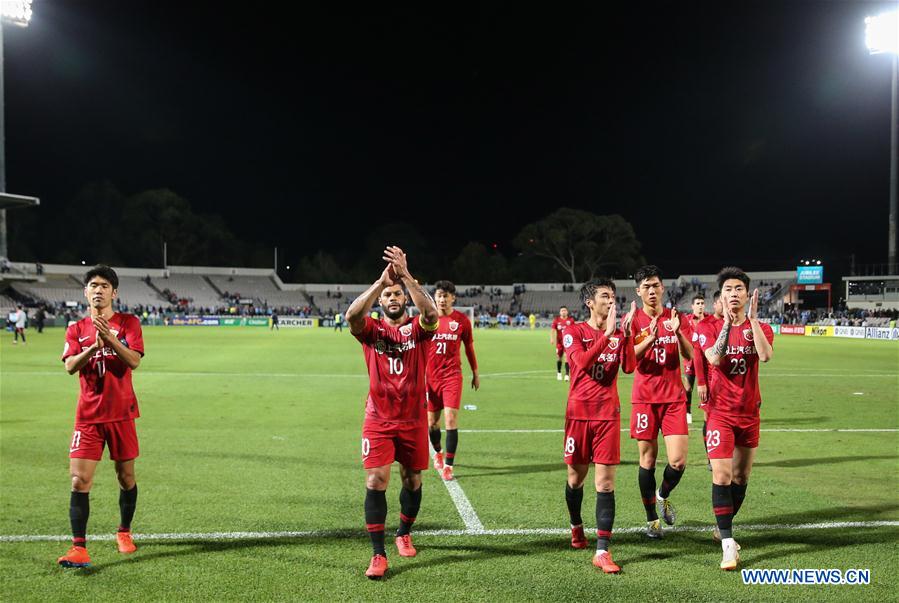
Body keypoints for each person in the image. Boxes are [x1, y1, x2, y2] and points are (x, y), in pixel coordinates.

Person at [346, 246, 439, 580]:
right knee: (376, 479)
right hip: (379, 419)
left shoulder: (417, 330)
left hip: (414, 418)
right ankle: (378, 554)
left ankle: (403, 531)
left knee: (412, 480)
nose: (393, 297)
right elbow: (352, 317)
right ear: (381, 302)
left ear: (405, 298)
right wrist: (379, 282)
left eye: (397, 293)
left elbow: (431, 315)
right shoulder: (372, 332)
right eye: (388, 295)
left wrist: (407, 276)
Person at [57, 266, 145, 568]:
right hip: (88, 417)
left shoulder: (129, 323)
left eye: (104, 286)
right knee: (79, 480)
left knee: (126, 477)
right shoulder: (76, 329)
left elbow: (134, 360)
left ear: (114, 292)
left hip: (121, 414)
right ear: (85, 291)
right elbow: (69, 366)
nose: (98, 290)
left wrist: (111, 340)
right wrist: (93, 346)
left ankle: (124, 532)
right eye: (93, 285)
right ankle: (79, 548)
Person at [700, 267, 773, 570]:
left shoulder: (761, 326)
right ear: (722, 295)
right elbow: (715, 358)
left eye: (739, 289)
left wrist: (752, 321)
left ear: (746, 294)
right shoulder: (708, 326)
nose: (734, 294)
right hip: (720, 414)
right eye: (728, 289)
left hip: (749, 413)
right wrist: (727, 327)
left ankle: (722, 527)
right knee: (722, 475)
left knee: (741, 478)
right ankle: (729, 545)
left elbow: (766, 355)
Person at [562, 279, 635, 573]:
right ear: (590, 302)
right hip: (578, 415)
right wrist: (606, 336)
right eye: (605, 296)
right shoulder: (573, 331)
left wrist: (626, 336)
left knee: (605, 483)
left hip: (608, 416)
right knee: (575, 479)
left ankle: (602, 550)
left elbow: (629, 366)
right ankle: (576, 524)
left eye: (614, 296)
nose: (611, 301)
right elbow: (580, 362)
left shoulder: (617, 333)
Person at [629, 265, 693, 538]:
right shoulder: (633, 320)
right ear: (638, 291)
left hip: (674, 399)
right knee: (648, 459)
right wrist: (650, 338)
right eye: (646, 286)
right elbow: (629, 361)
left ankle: (662, 494)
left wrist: (677, 332)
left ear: (663, 287)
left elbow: (691, 354)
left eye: (655, 285)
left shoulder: (676, 317)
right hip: (644, 399)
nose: (652, 291)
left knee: (677, 461)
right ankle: (651, 520)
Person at [426, 280, 480, 481]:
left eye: (446, 296)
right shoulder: (427, 319)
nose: (442, 299)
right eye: (439, 295)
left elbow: (469, 348)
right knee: (432, 423)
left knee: (450, 419)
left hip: (452, 377)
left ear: (453, 298)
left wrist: (475, 372)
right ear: (435, 297)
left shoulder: (462, 321)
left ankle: (448, 465)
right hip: (431, 378)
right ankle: (438, 453)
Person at [694, 291, 724, 470]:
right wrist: (701, 382)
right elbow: (697, 355)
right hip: (712, 382)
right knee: (709, 418)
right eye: (722, 302)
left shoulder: (736, 323)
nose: (726, 305)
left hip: (733, 382)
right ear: (715, 304)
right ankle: (711, 457)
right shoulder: (706, 324)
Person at [680, 294, 707, 424]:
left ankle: (708, 411)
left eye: (702, 303)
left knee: (708, 386)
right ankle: (687, 412)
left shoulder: (709, 320)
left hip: (706, 359)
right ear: (692, 306)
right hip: (691, 358)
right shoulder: (686, 320)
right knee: (688, 388)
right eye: (698, 303)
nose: (700, 305)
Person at [551, 306, 574, 381]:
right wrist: (552, 338)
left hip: (568, 342)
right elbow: (553, 330)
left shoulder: (571, 320)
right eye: (562, 311)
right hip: (559, 343)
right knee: (559, 358)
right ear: (560, 312)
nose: (563, 312)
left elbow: (574, 330)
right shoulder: (556, 320)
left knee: (566, 357)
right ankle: (559, 373)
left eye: (565, 310)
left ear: (567, 312)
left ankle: (567, 374)